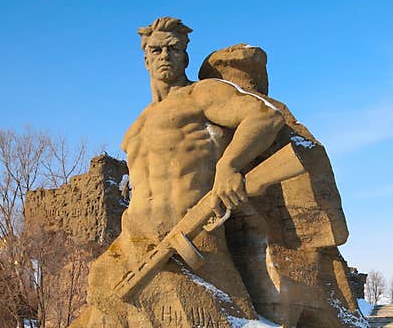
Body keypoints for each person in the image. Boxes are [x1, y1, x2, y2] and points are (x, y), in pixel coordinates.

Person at [116, 16, 284, 301]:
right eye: (156, 50)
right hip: (137, 246)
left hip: (194, 236)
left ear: (185, 58)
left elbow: (264, 117)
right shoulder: (135, 128)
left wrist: (228, 165)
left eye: (174, 49)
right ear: (146, 60)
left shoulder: (200, 94)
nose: (165, 56)